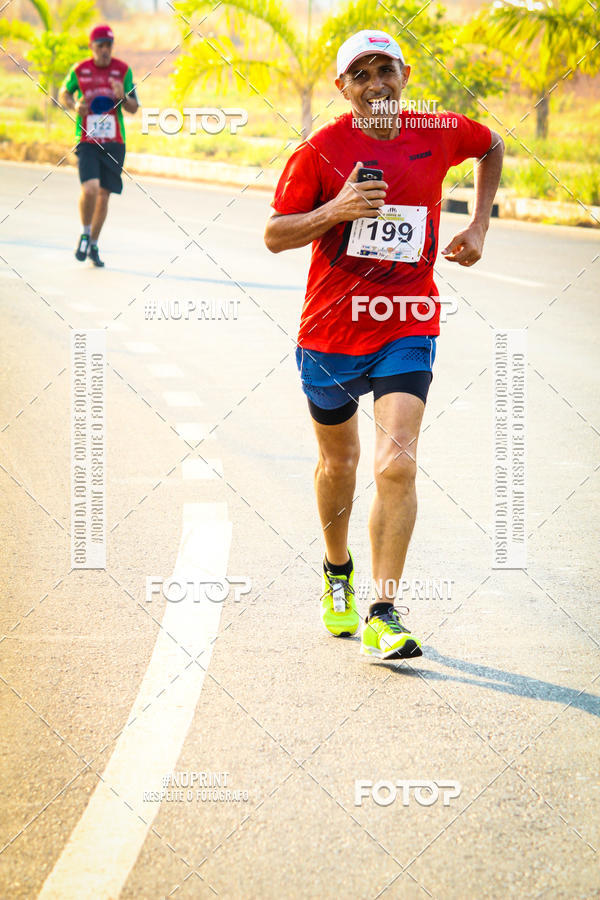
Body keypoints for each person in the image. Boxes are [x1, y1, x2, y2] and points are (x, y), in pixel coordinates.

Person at [264, 30, 503, 660]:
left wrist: (477, 223)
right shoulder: (320, 151)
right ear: (343, 87)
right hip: (332, 332)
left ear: (403, 75)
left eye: (386, 69)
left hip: (407, 320)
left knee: (396, 463)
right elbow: (274, 235)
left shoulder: (440, 129)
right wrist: (335, 210)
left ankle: (384, 610)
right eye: (361, 74)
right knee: (339, 464)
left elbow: (493, 144)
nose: (376, 83)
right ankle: (336, 570)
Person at [59, 24, 139, 267]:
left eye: (108, 46)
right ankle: (85, 232)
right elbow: (64, 93)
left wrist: (122, 96)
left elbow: (134, 107)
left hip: (115, 142)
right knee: (91, 189)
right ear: (91, 46)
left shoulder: (123, 71)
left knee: (104, 196)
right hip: (87, 140)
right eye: (100, 46)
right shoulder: (80, 70)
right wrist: (74, 105)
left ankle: (93, 244)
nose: (105, 50)